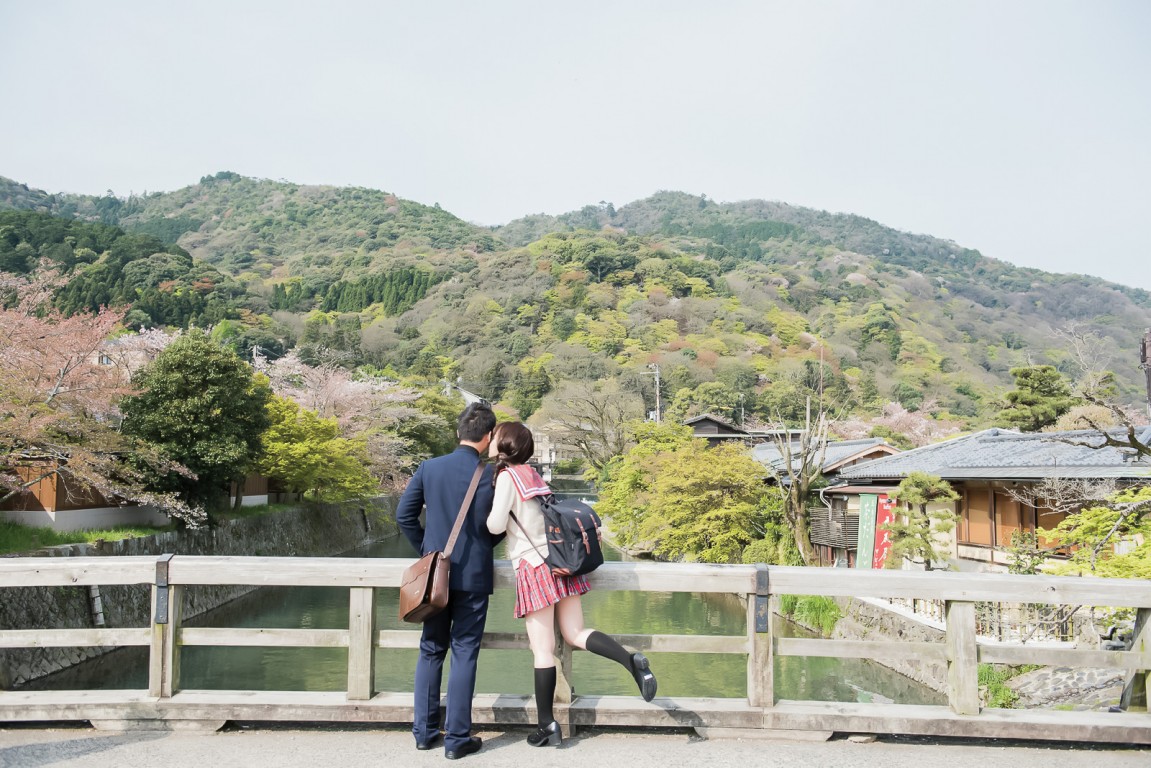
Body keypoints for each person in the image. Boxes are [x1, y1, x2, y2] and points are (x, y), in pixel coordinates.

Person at [485, 421, 657, 748]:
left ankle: (547, 725)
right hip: (560, 562)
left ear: (505, 443)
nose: (491, 441)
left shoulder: (507, 476)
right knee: (575, 633)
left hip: (534, 566)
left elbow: (494, 525)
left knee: (542, 649)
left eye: (495, 437)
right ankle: (630, 661)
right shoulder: (532, 474)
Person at [396, 402, 500, 760]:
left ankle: (424, 734)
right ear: (489, 437)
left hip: (433, 579)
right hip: (474, 576)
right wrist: (484, 546)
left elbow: (404, 516)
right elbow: (499, 525)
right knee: (465, 651)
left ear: (458, 432)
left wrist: (429, 553)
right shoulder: (492, 475)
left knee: (431, 648)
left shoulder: (430, 467)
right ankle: (457, 740)